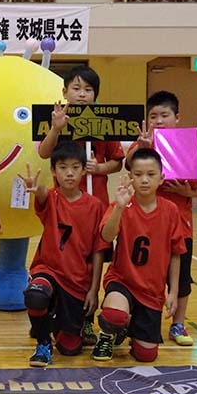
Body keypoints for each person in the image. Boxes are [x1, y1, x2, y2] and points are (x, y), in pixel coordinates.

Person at [37, 64, 125, 346]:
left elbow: (118, 160)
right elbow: (44, 152)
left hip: (94, 205)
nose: (82, 94)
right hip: (63, 206)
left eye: (88, 90)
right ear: (65, 92)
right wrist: (56, 128)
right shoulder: (57, 118)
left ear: (95, 95)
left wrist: (100, 168)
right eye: (76, 88)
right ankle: (52, 310)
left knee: (92, 260)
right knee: (64, 258)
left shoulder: (104, 121)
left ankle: (85, 319)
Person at [125, 91, 197, 346]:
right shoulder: (143, 143)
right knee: (142, 274)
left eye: (165, 115)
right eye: (153, 116)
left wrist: (187, 192)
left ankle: (178, 323)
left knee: (182, 278)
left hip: (180, 224)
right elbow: (128, 164)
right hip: (144, 224)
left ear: (177, 118)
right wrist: (143, 146)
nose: (159, 121)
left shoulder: (189, 146)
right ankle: (135, 320)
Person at [18, 141, 109, 367]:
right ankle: (43, 344)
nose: (69, 173)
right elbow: (41, 195)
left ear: (84, 170)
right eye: (63, 167)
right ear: (53, 171)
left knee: (70, 349)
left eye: (75, 167)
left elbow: (99, 251)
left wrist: (94, 290)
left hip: (77, 280)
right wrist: (35, 187)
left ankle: (53, 320)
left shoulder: (96, 206)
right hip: (48, 270)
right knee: (36, 295)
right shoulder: (51, 198)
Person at [91, 148, 185, 362]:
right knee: (114, 315)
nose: (144, 180)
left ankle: (129, 328)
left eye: (151, 174)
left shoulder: (171, 210)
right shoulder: (122, 204)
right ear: (130, 177)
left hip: (152, 291)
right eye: (138, 174)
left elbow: (176, 254)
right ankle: (108, 333)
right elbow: (106, 236)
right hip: (122, 281)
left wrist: (173, 292)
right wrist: (119, 208)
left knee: (146, 356)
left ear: (161, 178)